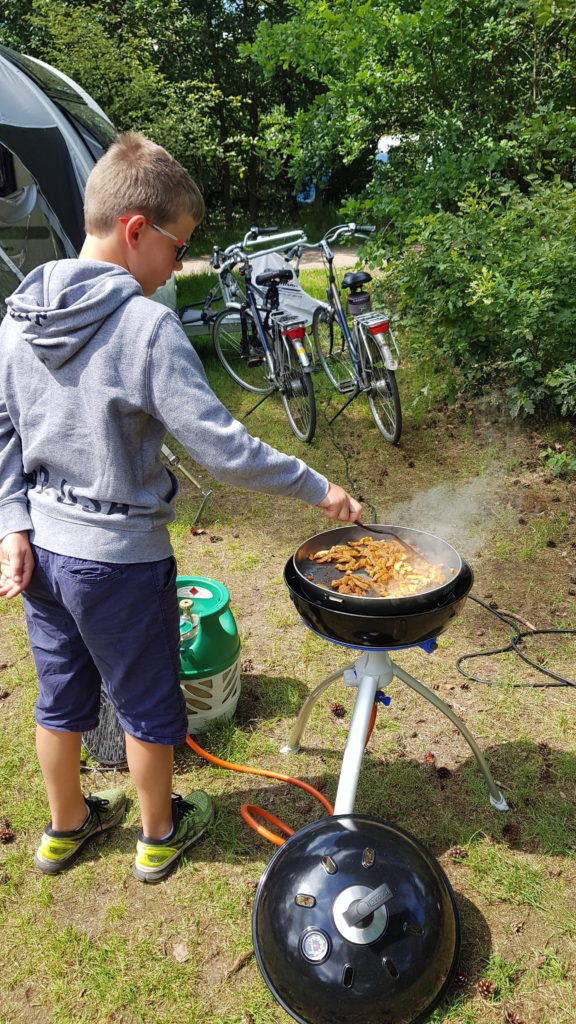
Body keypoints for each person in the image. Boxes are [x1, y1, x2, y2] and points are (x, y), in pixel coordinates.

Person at [0, 132, 362, 883]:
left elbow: (4, 432)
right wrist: (316, 487)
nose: (176, 270)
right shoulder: (144, 326)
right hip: (119, 565)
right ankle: (160, 834)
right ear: (136, 231)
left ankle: (65, 825)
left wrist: (13, 524)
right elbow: (225, 450)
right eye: (178, 247)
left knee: (60, 695)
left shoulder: (18, 316)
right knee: (145, 703)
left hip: (43, 556)